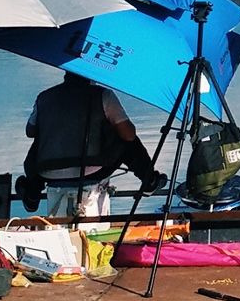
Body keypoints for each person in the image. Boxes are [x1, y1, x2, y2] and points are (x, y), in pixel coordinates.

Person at [23, 71, 164, 218]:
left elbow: (30, 131)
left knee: (38, 140)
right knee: (127, 140)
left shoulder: (44, 97)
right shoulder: (103, 95)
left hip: (47, 172)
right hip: (91, 169)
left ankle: (32, 192)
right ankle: (149, 181)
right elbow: (129, 135)